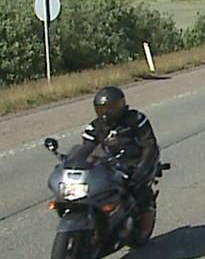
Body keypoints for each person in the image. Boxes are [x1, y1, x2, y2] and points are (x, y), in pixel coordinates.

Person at [67, 85, 161, 215]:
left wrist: (141, 169)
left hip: (134, 163)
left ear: (121, 105)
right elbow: (87, 147)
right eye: (102, 109)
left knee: (141, 194)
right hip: (108, 166)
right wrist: (74, 163)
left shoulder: (135, 119)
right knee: (90, 194)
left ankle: (145, 219)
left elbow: (149, 144)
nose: (106, 113)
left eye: (112, 108)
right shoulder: (95, 126)